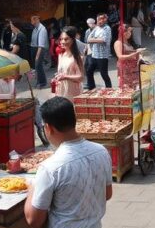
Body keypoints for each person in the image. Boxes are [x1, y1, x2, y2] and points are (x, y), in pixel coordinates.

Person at [25, 97, 112, 228]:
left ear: (48, 128)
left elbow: (33, 220)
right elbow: (107, 194)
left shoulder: (50, 168)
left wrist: (33, 187)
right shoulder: (101, 151)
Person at [53, 28, 84, 99]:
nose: (62, 42)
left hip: (72, 93)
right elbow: (62, 72)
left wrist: (65, 77)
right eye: (61, 39)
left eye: (66, 39)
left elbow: (81, 77)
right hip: (61, 91)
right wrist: (58, 76)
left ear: (73, 40)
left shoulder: (77, 57)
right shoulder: (61, 55)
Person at [85, 17, 112, 90]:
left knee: (103, 74)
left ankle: (109, 89)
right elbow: (88, 39)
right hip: (94, 54)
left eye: (102, 19)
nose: (100, 21)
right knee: (89, 71)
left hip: (102, 55)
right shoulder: (96, 28)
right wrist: (97, 39)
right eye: (99, 19)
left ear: (105, 20)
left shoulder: (107, 28)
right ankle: (91, 87)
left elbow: (103, 40)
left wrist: (94, 39)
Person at [114, 24, 144, 89]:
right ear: (124, 33)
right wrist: (135, 53)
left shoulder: (128, 42)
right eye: (128, 31)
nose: (130, 33)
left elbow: (132, 53)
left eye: (130, 31)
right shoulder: (118, 43)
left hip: (133, 68)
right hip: (125, 68)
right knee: (126, 87)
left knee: (134, 86)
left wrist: (138, 53)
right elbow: (120, 56)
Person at [30, 16, 50, 89]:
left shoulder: (42, 29)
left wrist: (37, 56)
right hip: (34, 48)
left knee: (38, 65)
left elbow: (41, 45)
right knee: (37, 66)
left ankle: (41, 82)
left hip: (39, 49)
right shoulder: (35, 28)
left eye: (32, 20)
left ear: (37, 20)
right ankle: (40, 81)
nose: (31, 22)